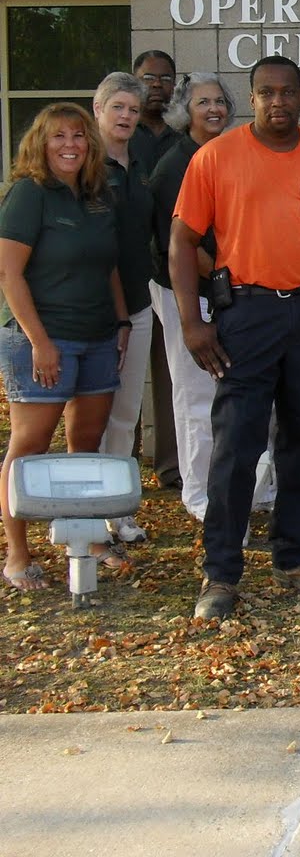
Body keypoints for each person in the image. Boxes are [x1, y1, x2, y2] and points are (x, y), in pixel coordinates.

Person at [172, 55, 300, 621]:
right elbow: (181, 242)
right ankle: (220, 572)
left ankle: (295, 555)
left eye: (288, 93)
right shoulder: (217, 157)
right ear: (253, 97)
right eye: (267, 92)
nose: (279, 102)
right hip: (247, 313)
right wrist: (192, 321)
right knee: (236, 442)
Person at [0, 104, 131, 591]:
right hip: (44, 339)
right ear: (41, 142)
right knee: (28, 447)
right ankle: (17, 553)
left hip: (98, 337)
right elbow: (8, 273)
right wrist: (40, 343)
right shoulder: (29, 194)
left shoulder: (97, 196)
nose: (70, 144)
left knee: (86, 449)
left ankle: (89, 538)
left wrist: (121, 321)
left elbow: (109, 265)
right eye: (58, 136)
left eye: (78, 135)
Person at [150, 74, 276, 524]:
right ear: (187, 111)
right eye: (203, 102)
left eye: (220, 101)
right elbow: (183, 244)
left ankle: (252, 490)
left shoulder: (230, 154)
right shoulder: (176, 164)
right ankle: (201, 495)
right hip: (194, 294)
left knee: (239, 392)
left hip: (232, 292)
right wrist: (232, 276)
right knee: (197, 393)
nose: (214, 109)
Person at [94, 73, 156, 545]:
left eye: (133, 110)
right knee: (90, 416)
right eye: (118, 107)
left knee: (126, 413)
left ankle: (117, 510)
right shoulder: (84, 165)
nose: (126, 117)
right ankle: (86, 514)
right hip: (91, 311)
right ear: (98, 109)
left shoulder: (139, 161)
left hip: (138, 302)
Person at [129, 48, 182, 492]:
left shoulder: (179, 138)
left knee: (170, 372)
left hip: (169, 273)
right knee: (121, 372)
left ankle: (171, 465)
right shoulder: (126, 135)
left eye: (166, 79)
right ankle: (118, 464)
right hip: (127, 269)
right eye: (149, 78)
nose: (157, 86)